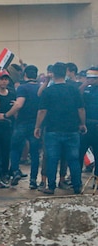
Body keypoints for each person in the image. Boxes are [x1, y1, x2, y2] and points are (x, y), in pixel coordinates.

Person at [35, 62, 87, 195]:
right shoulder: (74, 90)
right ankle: (77, 186)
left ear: (52, 74)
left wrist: (37, 127)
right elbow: (80, 109)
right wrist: (82, 124)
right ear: (65, 73)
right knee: (73, 160)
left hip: (52, 130)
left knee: (52, 159)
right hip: (72, 130)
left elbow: (42, 111)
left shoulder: (48, 91)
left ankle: (51, 187)